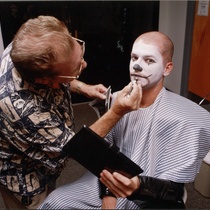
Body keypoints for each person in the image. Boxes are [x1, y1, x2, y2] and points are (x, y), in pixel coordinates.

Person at [39, 31, 210, 209]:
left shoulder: (184, 118)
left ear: (167, 68)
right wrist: (108, 195)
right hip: (106, 179)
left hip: (148, 191)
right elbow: (103, 154)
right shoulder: (117, 100)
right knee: (56, 201)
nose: (136, 67)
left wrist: (138, 186)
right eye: (134, 58)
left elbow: (174, 188)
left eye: (149, 60)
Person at [0, 15, 142, 209]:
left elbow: (59, 71)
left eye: (81, 54)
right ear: (43, 80)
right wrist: (117, 111)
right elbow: (77, 148)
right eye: (76, 69)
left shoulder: (30, 42)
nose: (84, 65)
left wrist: (83, 87)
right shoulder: (22, 108)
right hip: (26, 177)